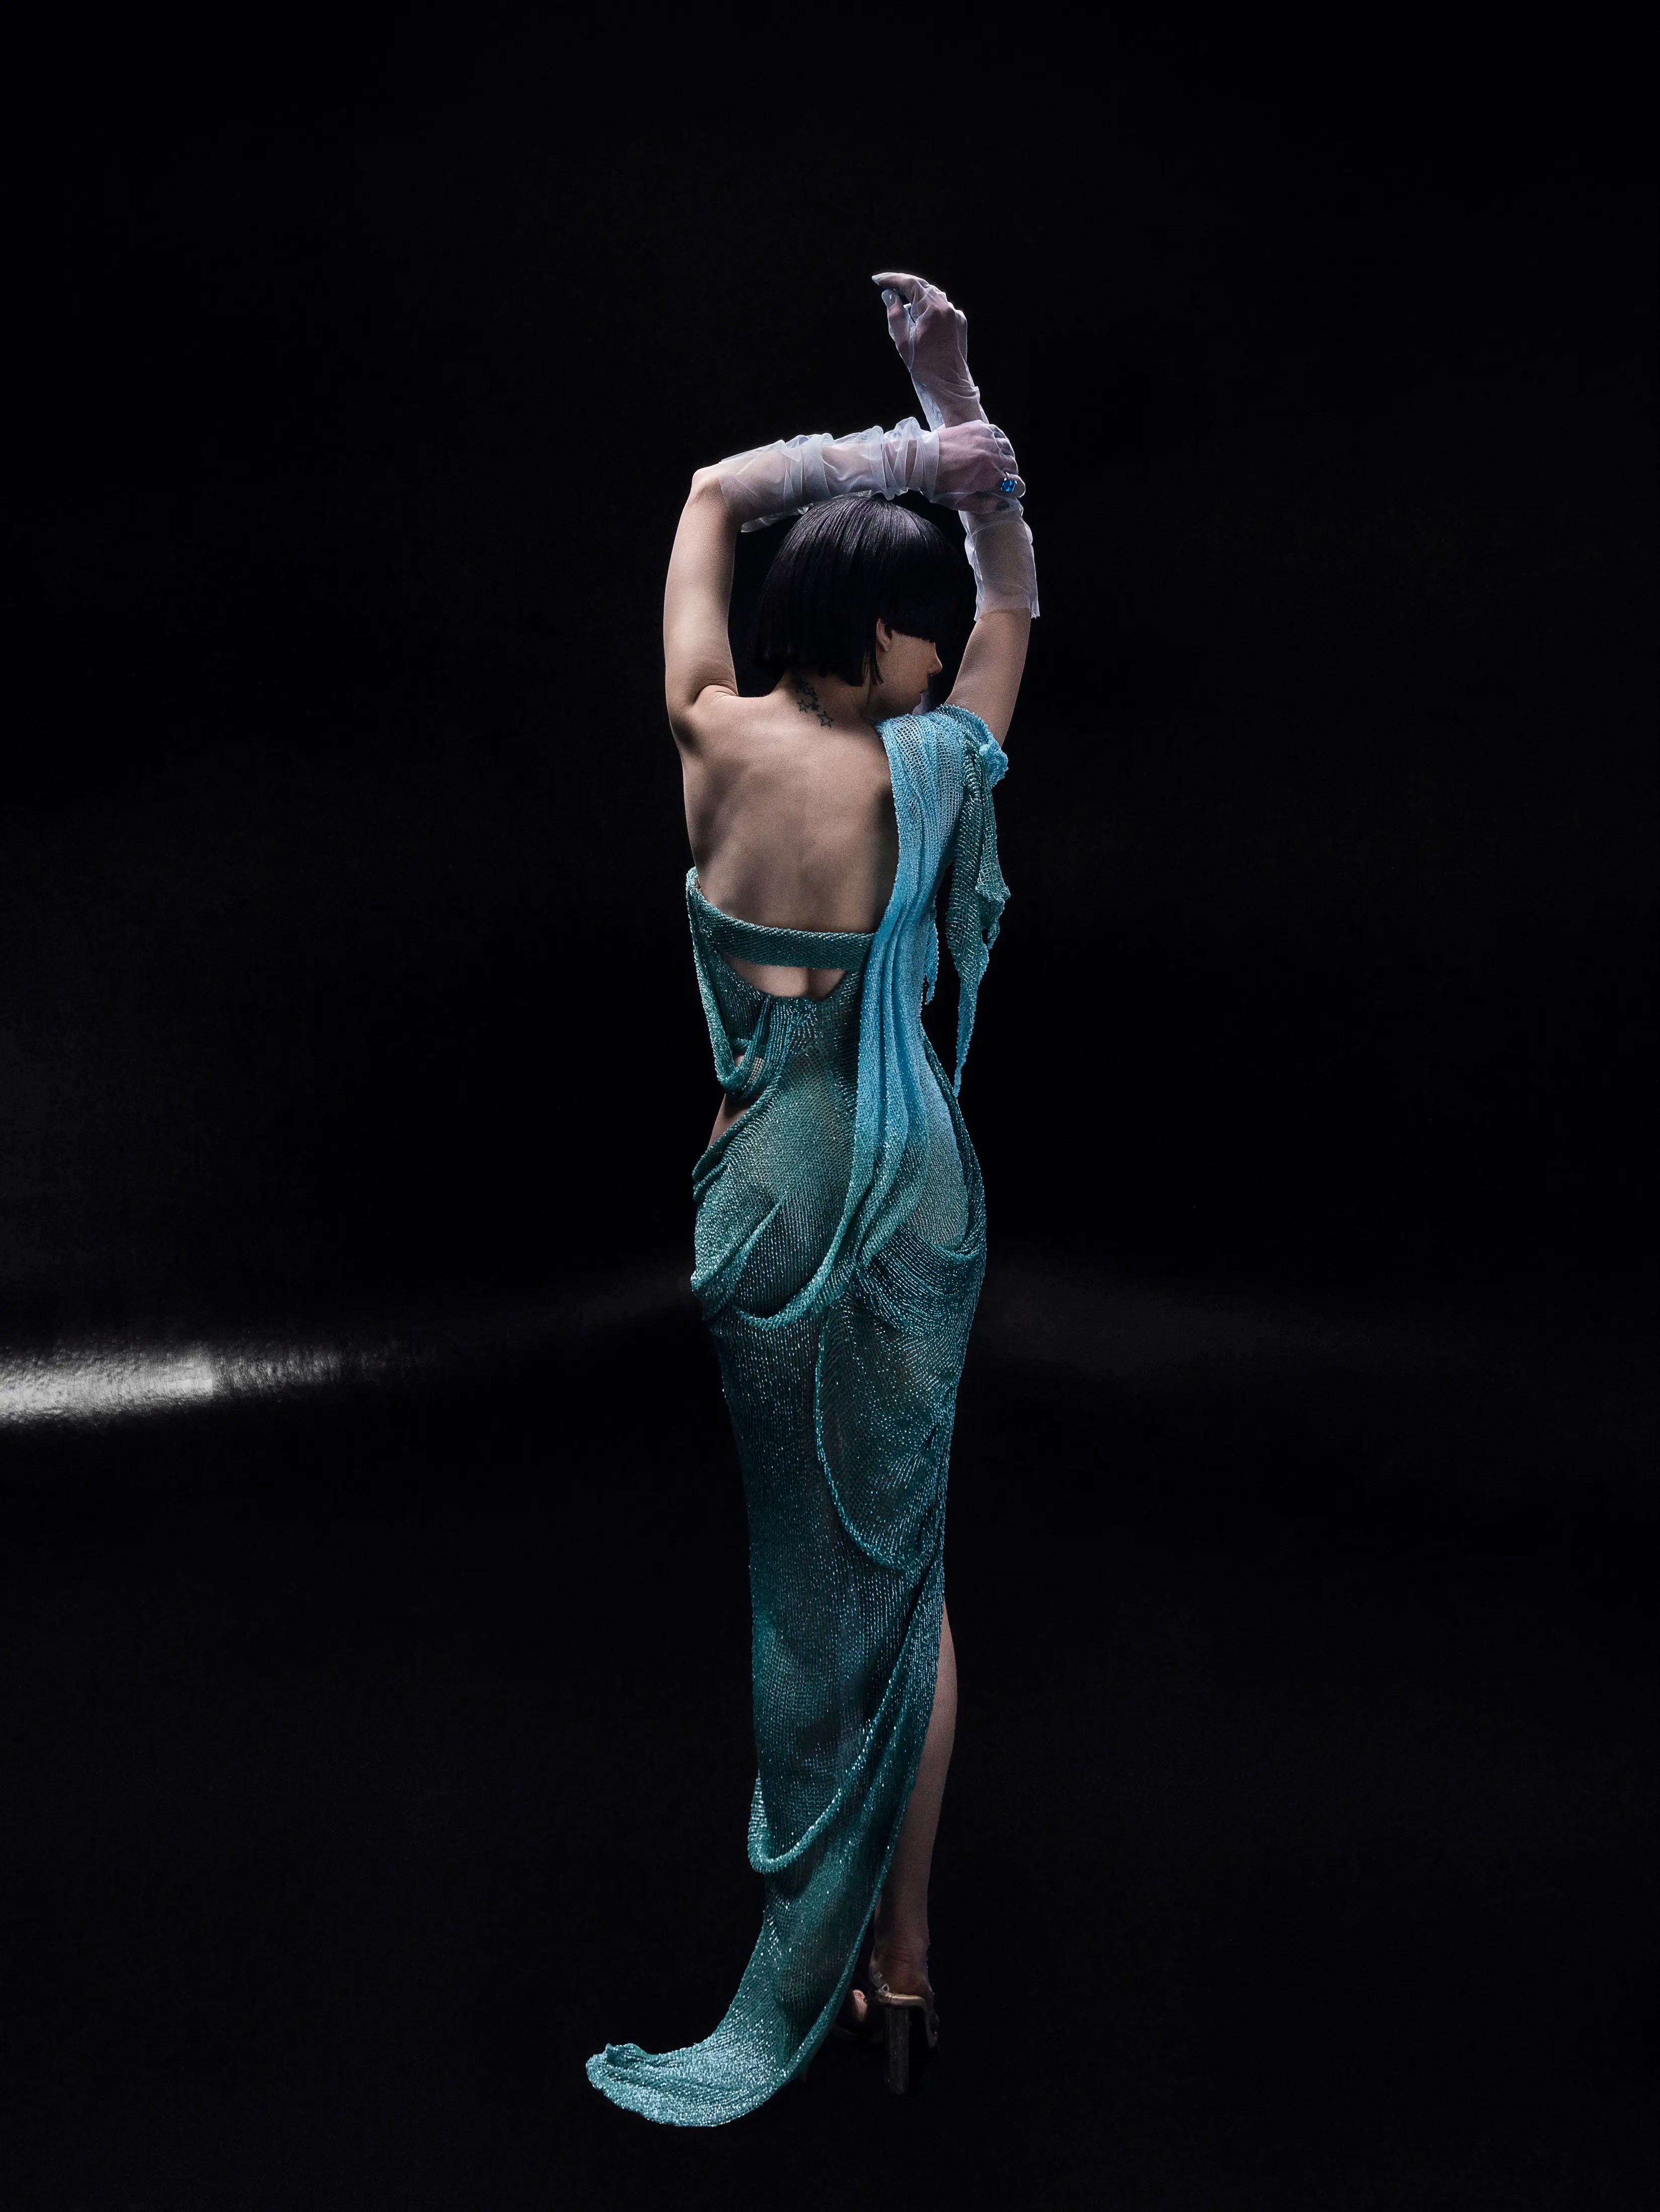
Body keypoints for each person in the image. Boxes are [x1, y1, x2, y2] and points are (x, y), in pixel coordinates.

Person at [587, 273, 1037, 2124]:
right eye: (917, 634)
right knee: (904, 1578)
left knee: (800, 1580)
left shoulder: (707, 732)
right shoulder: (924, 768)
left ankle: (818, 1923)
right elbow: (1014, 598)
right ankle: (901, 1958)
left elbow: (712, 493)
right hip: (901, 1184)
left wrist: (879, 451)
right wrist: (959, 425)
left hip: (758, 1194)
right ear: (874, 633)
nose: (942, 659)